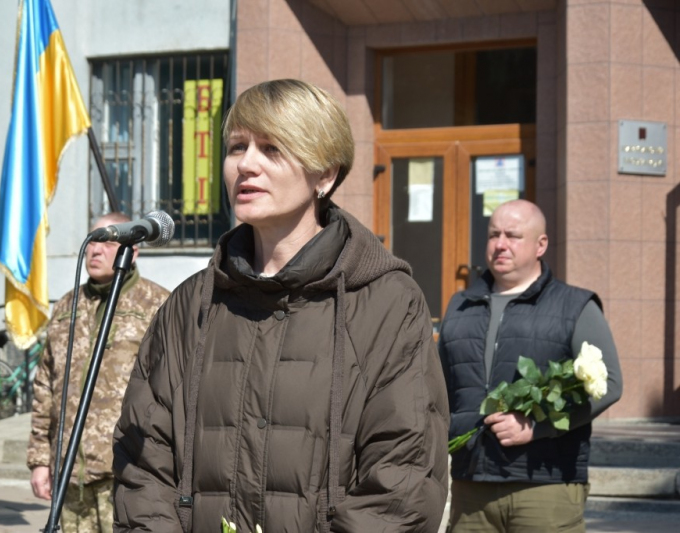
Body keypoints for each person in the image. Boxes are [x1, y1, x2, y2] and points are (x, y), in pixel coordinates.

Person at [112, 79, 449, 533]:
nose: (246, 164)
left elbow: (404, 478)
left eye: (271, 148)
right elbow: (142, 462)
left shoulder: (387, 303)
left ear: (325, 175)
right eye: (237, 147)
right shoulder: (190, 305)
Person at [438, 199, 623, 532]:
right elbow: (440, 387)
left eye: (513, 235)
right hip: (471, 486)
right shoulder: (460, 305)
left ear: (541, 245)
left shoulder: (575, 305)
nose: (500, 244)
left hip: (544, 485)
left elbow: (608, 384)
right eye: (494, 234)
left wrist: (538, 427)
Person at [27, 212, 170, 533]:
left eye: (108, 242)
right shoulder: (67, 306)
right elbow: (44, 387)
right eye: (93, 241)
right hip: (70, 474)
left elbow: (173, 389)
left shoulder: (157, 304)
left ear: (133, 250)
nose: (95, 249)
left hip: (127, 471)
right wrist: (39, 460)